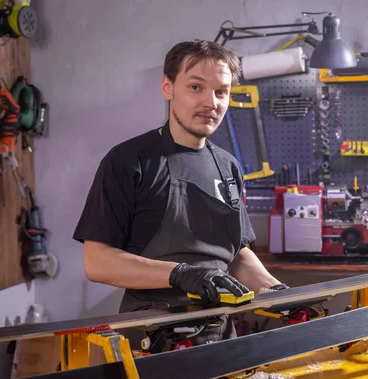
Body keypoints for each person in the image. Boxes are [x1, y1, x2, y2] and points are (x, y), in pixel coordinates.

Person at [73, 39, 287, 351]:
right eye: (196, 87)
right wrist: (180, 275)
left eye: (221, 92)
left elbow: (237, 255)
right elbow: (97, 262)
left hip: (219, 337)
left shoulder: (228, 166)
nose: (211, 102)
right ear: (168, 87)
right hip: (151, 340)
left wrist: (278, 293)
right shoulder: (129, 161)